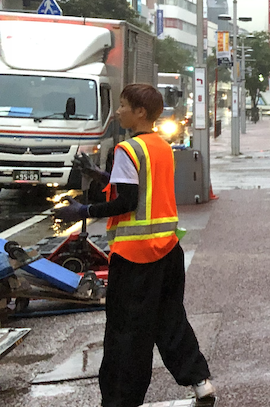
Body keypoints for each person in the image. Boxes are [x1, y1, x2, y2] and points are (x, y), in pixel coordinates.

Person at [55, 84, 215, 406]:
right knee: (170, 319)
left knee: (127, 332)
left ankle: (120, 400)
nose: (118, 112)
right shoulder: (161, 146)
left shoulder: (127, 150)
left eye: (123, 106)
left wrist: (83, 211)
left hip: (135, 257)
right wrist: (101, 175)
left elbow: (126, 202)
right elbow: (143, 190)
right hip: (168, 250)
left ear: (140, 112)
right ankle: (200, 382)